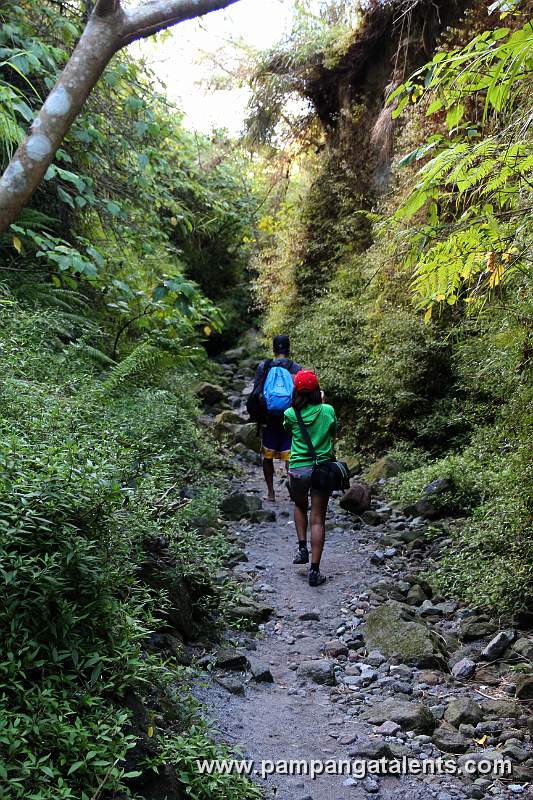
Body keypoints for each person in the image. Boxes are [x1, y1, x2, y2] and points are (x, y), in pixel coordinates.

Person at [283, 370, 338, 587]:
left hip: (298, 469)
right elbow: (334, 430)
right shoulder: (328, 410)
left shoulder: (290, 413)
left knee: (299, 505)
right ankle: (314, 571)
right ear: (317, 390)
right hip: (322, 469)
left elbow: (288, 430)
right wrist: (322, 403)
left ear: (296, 391)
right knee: (318, 518)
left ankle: (302, 547)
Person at [253, 335, 301, 502]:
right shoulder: (295, 368)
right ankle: (293, 489)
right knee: (290, 456)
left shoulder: (264, 366)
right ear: (288, 349)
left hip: (269, 419)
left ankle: (271, 492)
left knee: (267, 456)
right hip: (290, 419)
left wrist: (258, 417)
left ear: (273, 349)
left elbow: (256, 394)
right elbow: (301, 396)